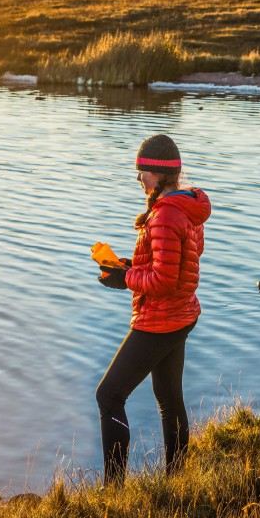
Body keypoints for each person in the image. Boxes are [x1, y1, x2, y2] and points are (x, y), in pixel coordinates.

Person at [94, 134, 211, 484]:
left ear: (158, 173)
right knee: (169, 396)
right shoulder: (187, 206)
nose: (138, 179)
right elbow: (179, 262)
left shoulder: (163, 215)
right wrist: (130, 266)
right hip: (182, 313)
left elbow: (162, 280)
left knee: (109, 395)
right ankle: (178, 480)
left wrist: (126, 277)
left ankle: (113, 491)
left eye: (142, 171)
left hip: (161, 319)